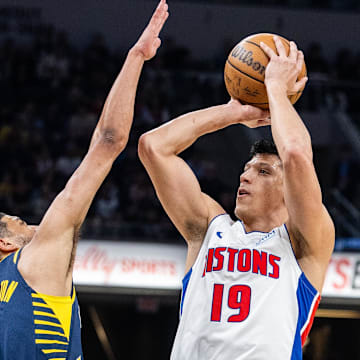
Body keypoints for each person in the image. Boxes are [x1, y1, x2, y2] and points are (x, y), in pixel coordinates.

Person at [138, 36, 335, 359]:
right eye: (246, 169)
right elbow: (153, 147)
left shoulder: (304, 243)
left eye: (264, 171)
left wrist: (274, 88)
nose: (245, 176)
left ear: (290, 191)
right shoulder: (209, 229)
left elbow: (297, 154)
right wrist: (232, 113)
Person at [0, 1, 168, 359]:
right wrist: (136, 57)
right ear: (5, 245)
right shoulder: (32, 264)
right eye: (18, 222)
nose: (31, 223)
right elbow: (109, 143)